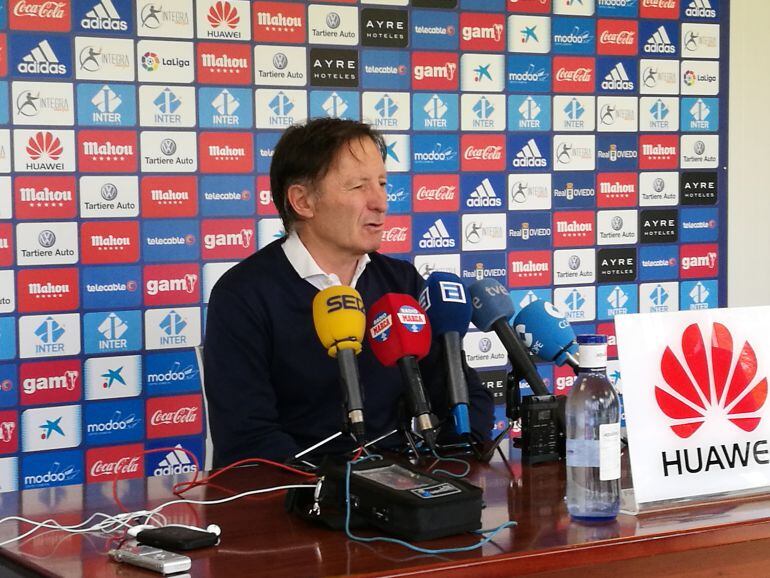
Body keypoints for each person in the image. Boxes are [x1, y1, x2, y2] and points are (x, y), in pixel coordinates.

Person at [204, 118, 494, 468]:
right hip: (299, 501)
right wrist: (342, 494)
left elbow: (464, 397)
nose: (380, 202)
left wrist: (440, 473)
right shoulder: (243, 295)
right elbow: (248, 441)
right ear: (303, 201)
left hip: (401, 493)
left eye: (383, 183)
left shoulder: (402, 283)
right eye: (358, 187)